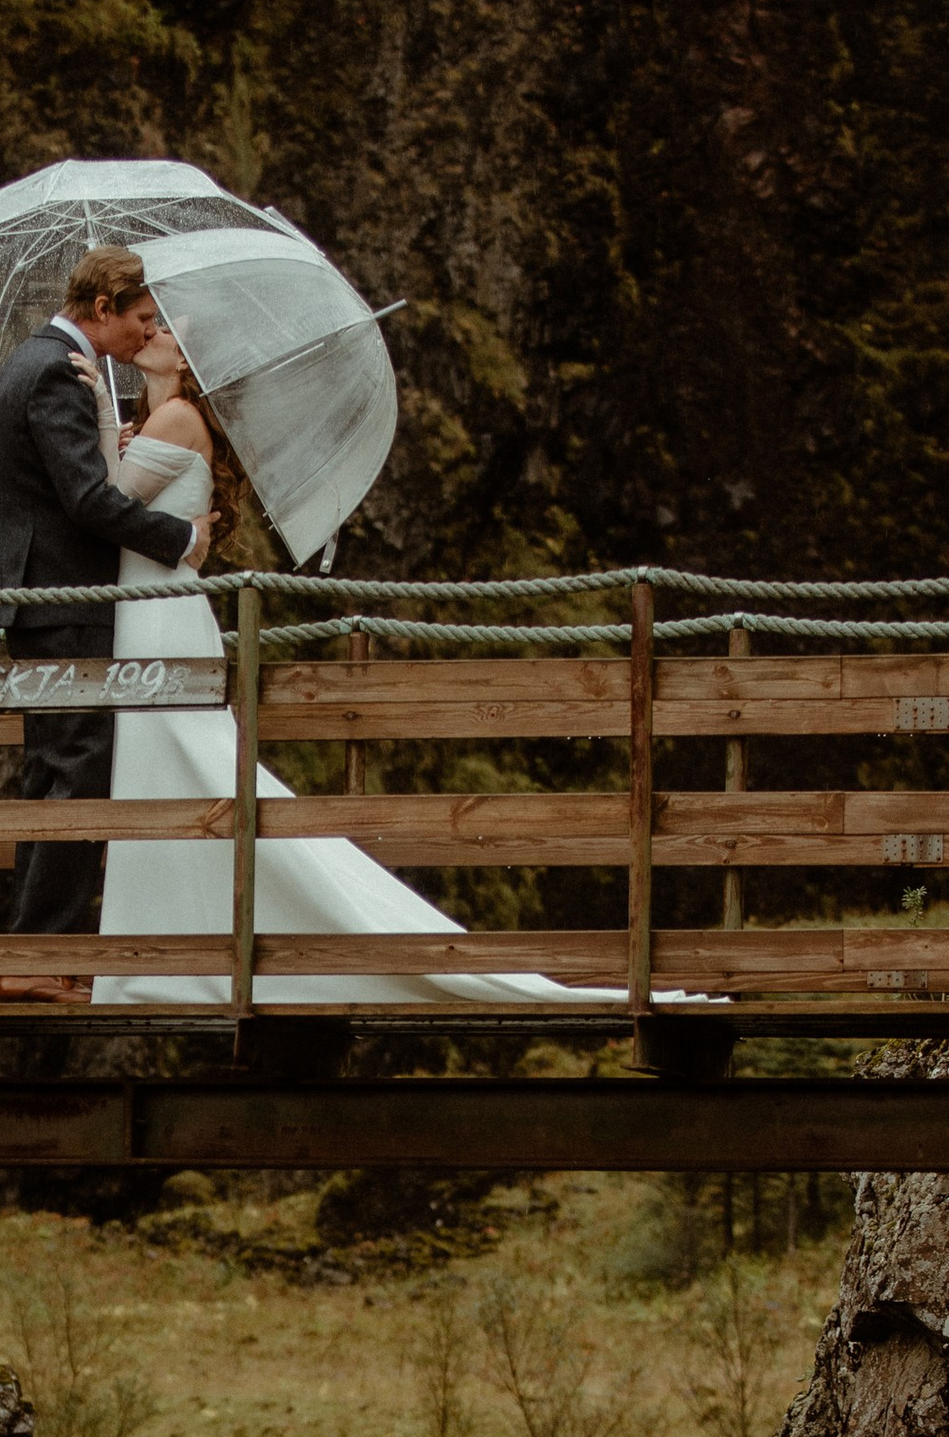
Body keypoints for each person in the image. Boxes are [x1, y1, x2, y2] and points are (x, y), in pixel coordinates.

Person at [92, 319, 610, 1011]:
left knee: (181, 770)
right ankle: (157, 954)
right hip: (152, 611)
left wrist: (103, 433)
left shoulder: (179, 417)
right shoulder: (167, 419)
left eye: (164, 329)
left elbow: (99, 507)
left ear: (186, 360)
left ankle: (157, 960)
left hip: (156, 619)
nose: (149, 331)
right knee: (164, 774)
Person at [0, 244, 212, 987]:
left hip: (43, 597)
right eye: (139, 320)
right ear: (102, 309)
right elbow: (86, 500)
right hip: (65, 598)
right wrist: (182, 538)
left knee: (53, 771)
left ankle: (29, 952)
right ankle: (40, 957)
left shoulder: (43, 362)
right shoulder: (56, 369)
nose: (145, 335)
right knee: (76, 771)